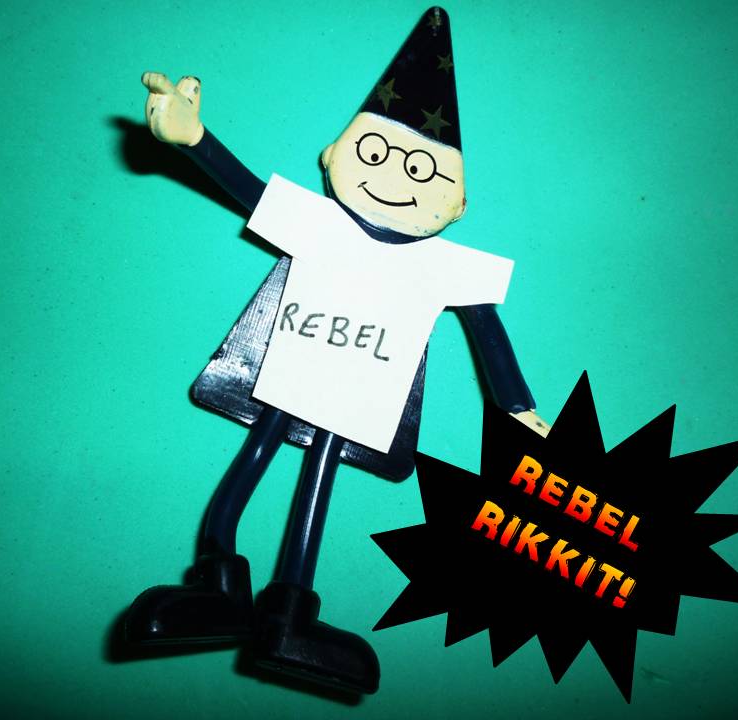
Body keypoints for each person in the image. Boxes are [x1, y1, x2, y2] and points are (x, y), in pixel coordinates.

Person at [124, 7, 548, 695]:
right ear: (331, 159)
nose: (398, 178)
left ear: (459, 206)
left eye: (423, 170)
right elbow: (245, 190)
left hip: (360, 392)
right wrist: (194, 138)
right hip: (291, 367)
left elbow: (487, 330)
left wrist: (518, 411)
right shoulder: (318, 222)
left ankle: (288, 614)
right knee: (253, 461)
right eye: (374, 154)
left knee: (316, 479)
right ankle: (220, 586)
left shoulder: (448, 266)